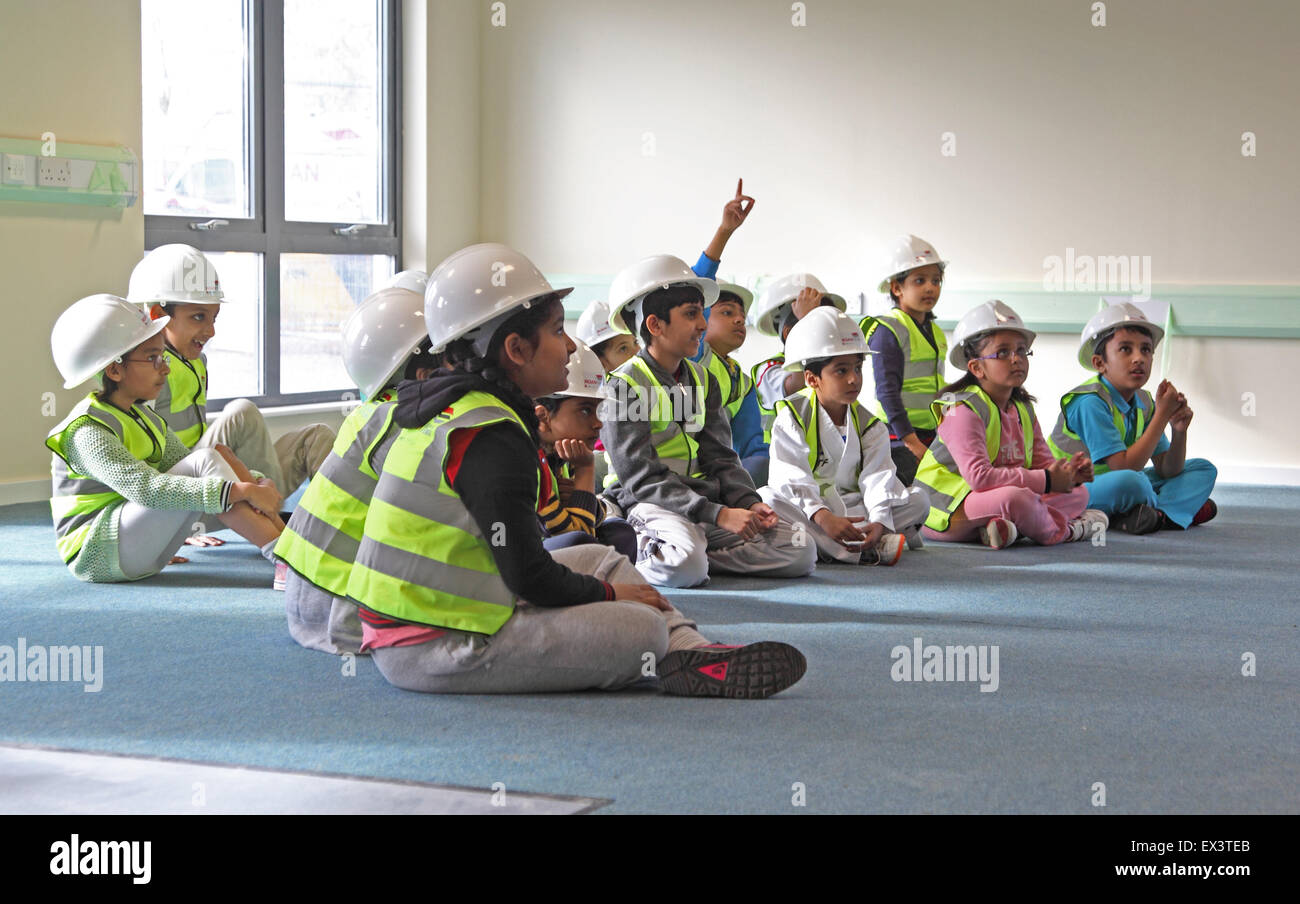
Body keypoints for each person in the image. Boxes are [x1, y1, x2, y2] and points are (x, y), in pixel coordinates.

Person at [346, 243, 807, 697]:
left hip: (449, 601)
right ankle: (673, 650)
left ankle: (692, 652)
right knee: (642, 629)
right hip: (435, 641)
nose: (570, 345)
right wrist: (611, 598)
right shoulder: (490, 435)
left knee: (600, 558)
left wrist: (608, 585)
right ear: (516, 348)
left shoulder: (468, 410)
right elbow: (531, 577)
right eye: (555, 330)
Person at [600, 254, 817, 588]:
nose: (702, 325)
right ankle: (643, 547)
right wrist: (718, 515)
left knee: (800, 551)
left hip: (701, 503)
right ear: (655, 325)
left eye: (700, 314)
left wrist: (748, 503)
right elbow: (639, 478)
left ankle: (696, 553)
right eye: (690, 315)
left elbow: (721, 457)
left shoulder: (703, 380)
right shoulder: (625, 385)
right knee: (685, 567)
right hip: (648, 502)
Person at [46, 294, 283, 583]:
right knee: (207, 459)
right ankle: (286, 558)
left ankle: (288, 549)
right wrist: (245, 491)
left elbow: (187, 463)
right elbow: (146, 490)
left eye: (163, 356)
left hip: (130, 544)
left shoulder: (143, 417)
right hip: (98, 555)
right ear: (114, 369)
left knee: (214, 457)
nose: (166, 368)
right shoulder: (88, 430)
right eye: (152, 358)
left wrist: (256, 482)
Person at [276, 284, 439, 653]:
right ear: (425, 371)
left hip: (311, 595)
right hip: (337, 607)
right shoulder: (400, 422)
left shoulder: (375, 412)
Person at [128, 244, 335, 506]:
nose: (210, 331)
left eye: (214, 318)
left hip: (214, 473)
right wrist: (174, 525)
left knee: (318, 436)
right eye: (198, 317)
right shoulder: (146, 368)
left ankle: (328, 526)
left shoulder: (196, 360)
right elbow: (140, 463)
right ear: (159, 314)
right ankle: (270, 511)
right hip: (185, 490)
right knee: (242, 411)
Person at [914, 301, 1108, 549]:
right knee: (1017, 499)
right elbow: (980, 478)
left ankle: (1005, 529)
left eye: (1021, 350)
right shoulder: (961, 410)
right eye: (1003, 353)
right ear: (976, 367)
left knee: (1079, 493)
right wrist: (1048, 480)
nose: (1016, 359)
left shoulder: (1023, 409)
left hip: (989, 502)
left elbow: (1042, 464)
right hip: (945, 510)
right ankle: (1067, 531)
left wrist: (1069, 475)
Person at [760, 308, 930, 565]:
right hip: (811, 511)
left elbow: (877, 478)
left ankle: (855, 541)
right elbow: (790, 477)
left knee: (919, 499)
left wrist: (879, 520)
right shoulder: (792, 416)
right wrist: (822, 515)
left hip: (854, 508)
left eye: (858, 368)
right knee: (769, 498)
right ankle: (865, 549)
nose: (854, 379)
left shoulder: (870, 425)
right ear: (812, 379)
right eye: (841, 371)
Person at [1048, 302, 1217, 533]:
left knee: (1203, 469)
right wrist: (1160, 417)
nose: (1139, 358)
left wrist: (1179, 430)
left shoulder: (1144, 401)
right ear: (1100, 363)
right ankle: (1173, 509)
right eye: (1126, 349)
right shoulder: (1090, 402)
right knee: (1133, 482)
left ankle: (1155, 515)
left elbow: (1168, 470)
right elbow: (1122, 468)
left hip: (1121, 481)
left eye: (1146, 350)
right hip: (1072, 490)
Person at [535, 341, 638, 564]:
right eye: (584, 411)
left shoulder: (564, 454)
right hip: (525, 560)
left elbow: (596, 515)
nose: (598, 423)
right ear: (544, 418)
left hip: (559, 544)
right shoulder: (532, 461)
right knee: (577, 543)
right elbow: (578, 536)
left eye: (599, 410)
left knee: (620, 532)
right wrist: (586, 470)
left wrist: (577, 495)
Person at [861, 234, 950, 485]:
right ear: (897, 288)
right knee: (915, 492)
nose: (930, 287)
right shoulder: (888, 330)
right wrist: (910, 441)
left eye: (936, 280)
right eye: (919, 281)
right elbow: (887, 392)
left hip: (930, 433)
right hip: (897, 436)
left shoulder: (936, 332)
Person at [748, 273, 848, 442]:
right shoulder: (769, 369)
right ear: (788, 333)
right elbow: (797, 389)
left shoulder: (836, 367)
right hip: (780, 462)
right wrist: (805, 323)